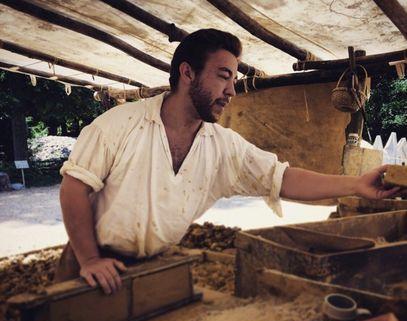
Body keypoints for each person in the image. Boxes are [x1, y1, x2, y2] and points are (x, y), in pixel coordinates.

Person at [57, 29, 401, 295]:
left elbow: (281, 178)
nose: (232, 91)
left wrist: (355, 185)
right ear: (187, 73)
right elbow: (75, 187)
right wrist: (89, 259)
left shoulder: (222, 146)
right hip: (91, 263)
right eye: (223, 76)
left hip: (153, 265)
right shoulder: (119, 124)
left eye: (233, 79)